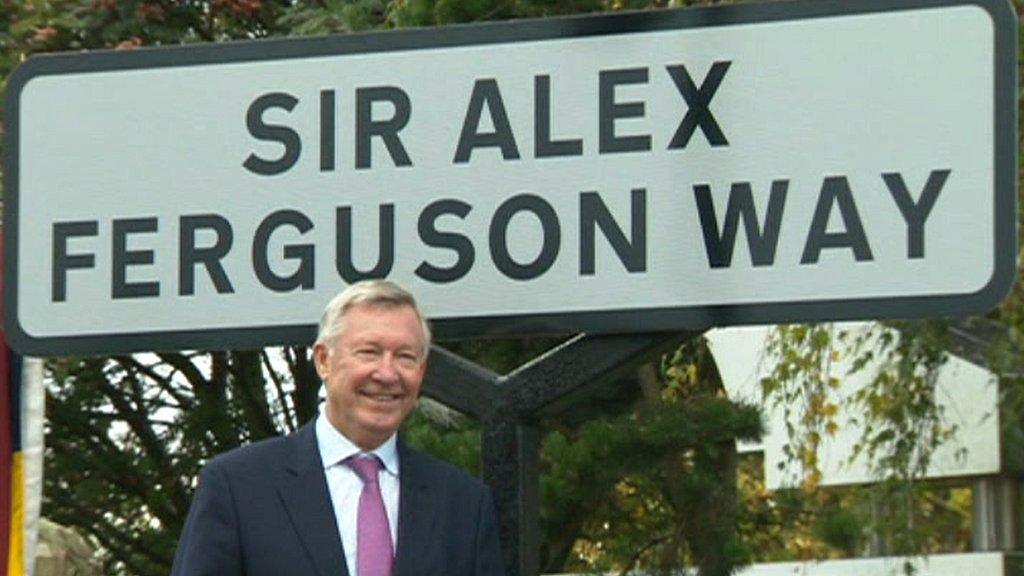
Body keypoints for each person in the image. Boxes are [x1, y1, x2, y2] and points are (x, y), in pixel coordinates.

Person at [170, 280, 504, 576]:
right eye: (369, 352)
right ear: (323, 360)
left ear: (422, 371)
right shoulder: (236, 487)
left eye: (405, 357)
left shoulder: (463, 504)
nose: (387, 373)